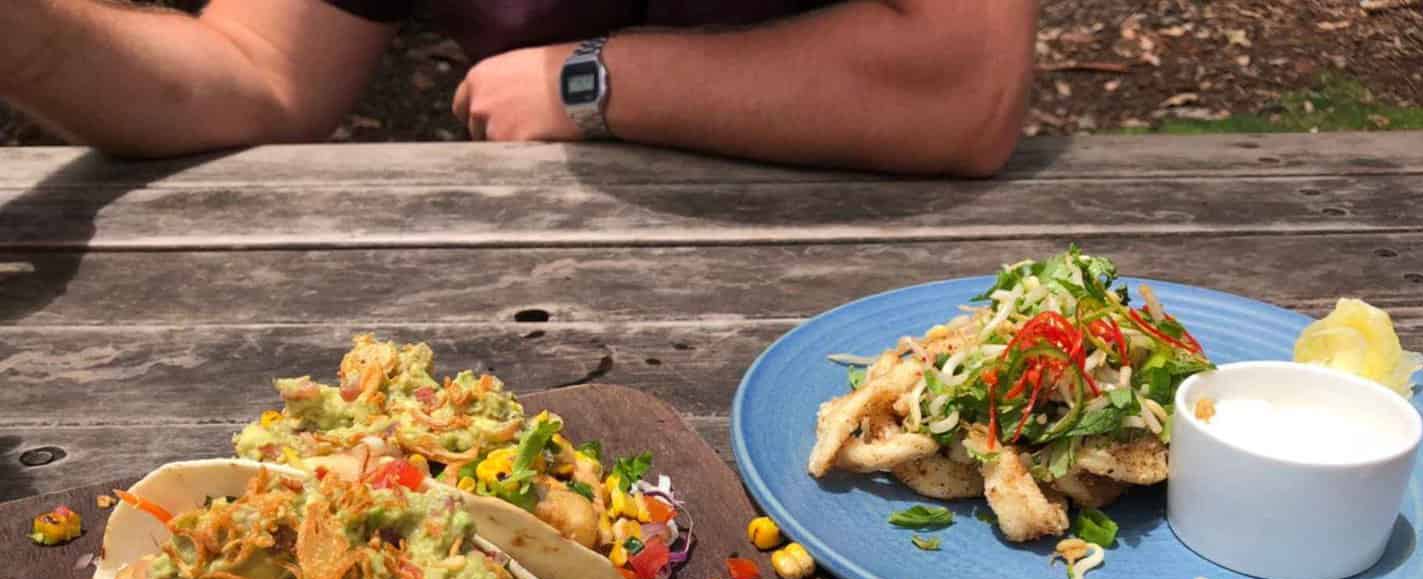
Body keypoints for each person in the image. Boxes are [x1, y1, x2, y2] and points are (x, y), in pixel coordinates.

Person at [0, 0, 1037, 176]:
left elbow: (963, 82)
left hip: (872, 302)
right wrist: (34, 37)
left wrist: (595, 83)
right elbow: (260, 73)